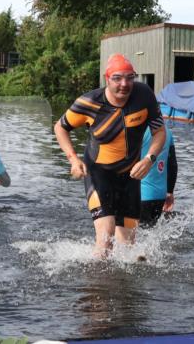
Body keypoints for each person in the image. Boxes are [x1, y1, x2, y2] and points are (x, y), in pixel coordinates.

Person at [54, 53, 166, 258]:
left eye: (130, 77)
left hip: (130, 178)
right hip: (98, 174)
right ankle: (98, 288)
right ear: (107, 79)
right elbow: (60, 128)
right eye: (117, 78)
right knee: (106, 238)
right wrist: (73, 158)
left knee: (128, 249)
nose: (125, 84)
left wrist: (149, 159)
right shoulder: (89, 102)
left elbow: (160, 132)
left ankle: (122, 289)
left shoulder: (144, 95)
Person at [140, 123, 178, 227]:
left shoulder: (137, 129)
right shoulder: (167, 131)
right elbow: (172, 165)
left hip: (139, 195)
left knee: (131, 238)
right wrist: (169, 192)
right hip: (160, 196)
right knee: (151, 234)